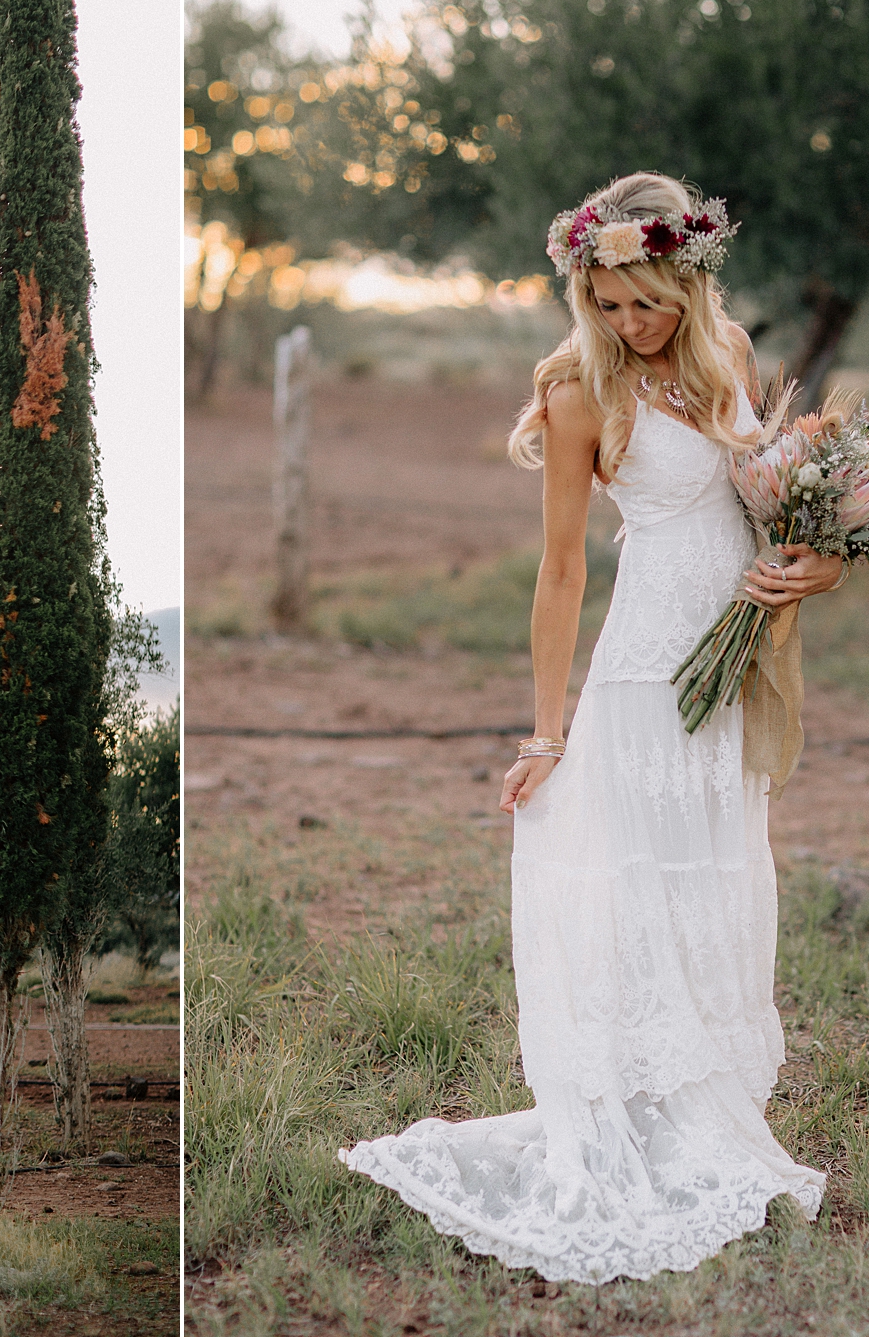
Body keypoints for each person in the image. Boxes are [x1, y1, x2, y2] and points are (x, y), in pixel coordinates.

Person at [340, 172, 841, 1284]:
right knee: (636, 885)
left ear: (688, 281)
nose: (627, 322)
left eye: (644, 302)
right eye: (605, 303)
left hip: (728, 669)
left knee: (707, 882)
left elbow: (764, 501)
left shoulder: (731, 355)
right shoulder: (580, 390)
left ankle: (697, 1107)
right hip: (643, 677)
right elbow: (562, 568)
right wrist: (544, 732)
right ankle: (630, 1113)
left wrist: (819, 557)